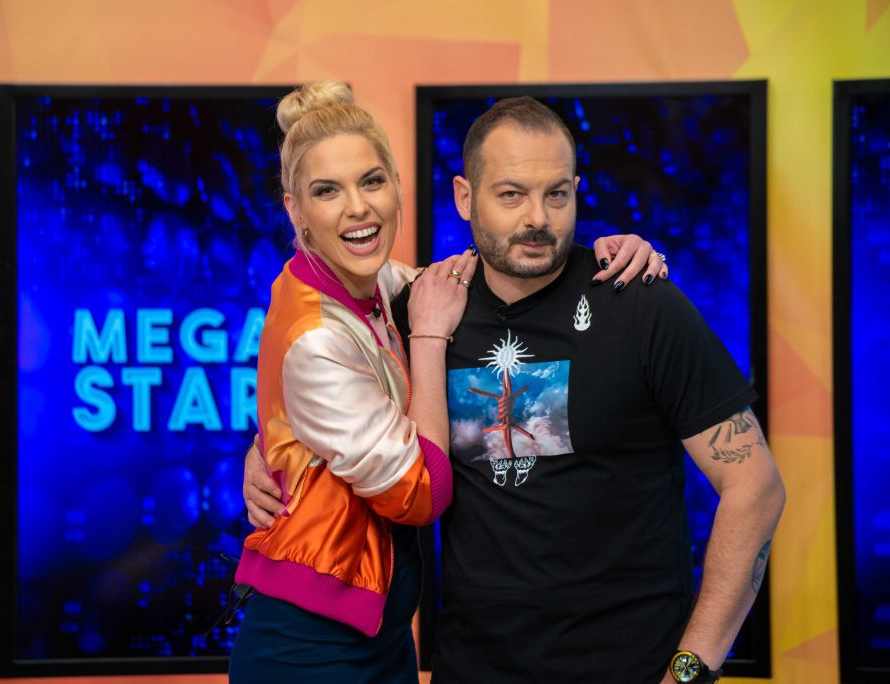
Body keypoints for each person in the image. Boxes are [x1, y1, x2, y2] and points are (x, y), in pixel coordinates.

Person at [244, 95, 785, 684]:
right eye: (511, 194)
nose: (537, 219)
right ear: (463, 197)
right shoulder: (423, 312)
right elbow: (335, 379)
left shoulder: (639, 301)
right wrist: (273, 446)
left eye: (557, 194)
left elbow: (755, 487)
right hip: (470, 668)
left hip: (630, 666)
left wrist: (689, 672)